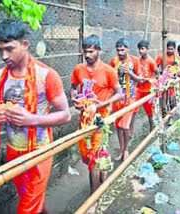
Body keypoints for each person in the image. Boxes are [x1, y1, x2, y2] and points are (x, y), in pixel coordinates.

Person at [0, 19, 71, 214]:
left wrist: (31, 119)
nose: (3, 55)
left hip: (39, 152)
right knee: (30, 199)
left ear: (25, 45)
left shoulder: (47, 75)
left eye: (9, 49)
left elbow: (65, 115)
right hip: (13, 150)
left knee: (26, 209)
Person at [70, 34, 122, 213]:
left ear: (98, 50)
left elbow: (119, 93)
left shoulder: (108, 71)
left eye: (91, 51)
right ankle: (102, 178)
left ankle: (93, 199)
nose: (87, 55)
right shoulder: (78, 69)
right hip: (84, 120)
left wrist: (104, 104)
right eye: (85, 51)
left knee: (94, 158)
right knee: (89, 156)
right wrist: (74, 99)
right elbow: (73, 87)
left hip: (101, 120)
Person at [109, 38, 141, 161]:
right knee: (118, 126)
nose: (120, 53)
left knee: (125, 126)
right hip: (117, 99)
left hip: (130, 98)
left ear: (128, 49)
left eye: (123, 50)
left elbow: (140, 79)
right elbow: (110, 78)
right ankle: (121, 150)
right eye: (118, 50)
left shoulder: (134, 61)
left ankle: (126, 149)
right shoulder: (113, 61)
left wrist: (129, 73)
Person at [136, 39, 158, 131]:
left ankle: (151, 129)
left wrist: (150, 79)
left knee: (149, 112)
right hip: (138, 89)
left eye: (142, 49)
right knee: (133, 109)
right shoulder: (137, 60)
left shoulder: (151, 61)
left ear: (147, 49)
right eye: (139, 49)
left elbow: (157, 73)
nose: (141, 51)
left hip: (148, 89)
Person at [156, 40, 179, 111]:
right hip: (163, 81)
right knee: (164, 99)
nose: (170, 51)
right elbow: (155, 67)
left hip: (172, 81)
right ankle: (164, 113)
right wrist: (159, 73)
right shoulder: (161, 56)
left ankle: (171, 114)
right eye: (168, 49)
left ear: (174, 49)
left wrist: (174, 73)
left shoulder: (176, 58)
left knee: (172, 100)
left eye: (171, 49)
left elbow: (178, 69)